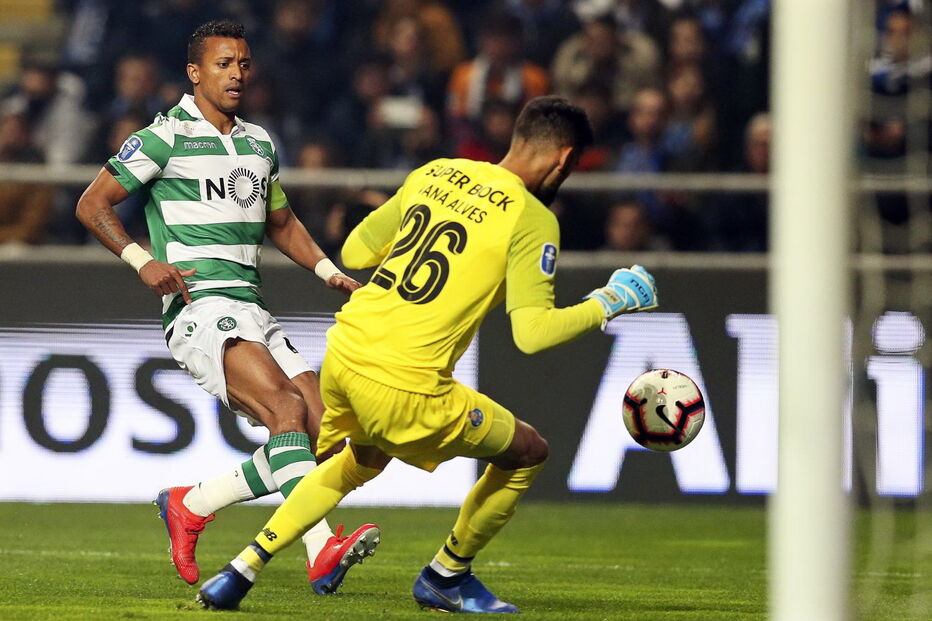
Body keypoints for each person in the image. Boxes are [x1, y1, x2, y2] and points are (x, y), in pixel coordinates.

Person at [196, 96, 660, 613]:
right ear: (565, 159)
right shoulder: (532, 219)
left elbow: (354, 252)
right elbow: (532, 334)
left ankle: (240, 570)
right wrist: (608, 303)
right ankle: (447, 574)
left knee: (360, 459)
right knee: (527, 452)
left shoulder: (437, 172)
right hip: (405, 381)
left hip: (348, 352)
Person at [74, 20, 379, 595]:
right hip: (199, 305)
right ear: (195, 73)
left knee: (321, 430)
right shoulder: (164, 136)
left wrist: (328, 271)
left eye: (243, 63)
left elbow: (280, 222)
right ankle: (320, 551)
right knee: (285, 409)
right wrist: (141, 260)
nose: (236, 73)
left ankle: (193, 502)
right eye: (223, 64)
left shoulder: (259, 144)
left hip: (252, 306)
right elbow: (93, 203)